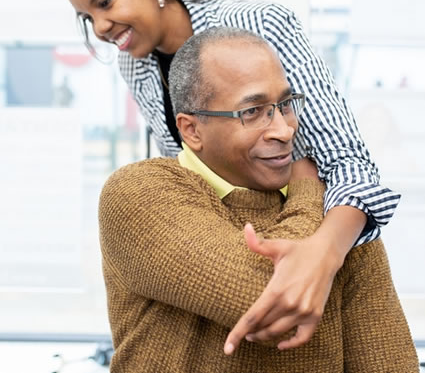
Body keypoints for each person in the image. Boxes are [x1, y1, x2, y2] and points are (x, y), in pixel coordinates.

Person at [56, 0, 401, 346]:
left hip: (329, 236)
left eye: (104, 2)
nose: (99, 26)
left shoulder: (259, 24)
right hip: (238, 247)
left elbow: (347, 162)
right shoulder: (135, 64)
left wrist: (322, 254)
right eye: (87, 16)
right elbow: (189, 171)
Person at [98, 27, 418, 372]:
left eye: (285, 105)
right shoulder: (137, 193)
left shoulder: (341, 220)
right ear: (192, 130)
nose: (284, 130)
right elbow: (273, 301)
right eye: (252, 112)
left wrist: (328, 221)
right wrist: (308, 193)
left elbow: (389, 363)